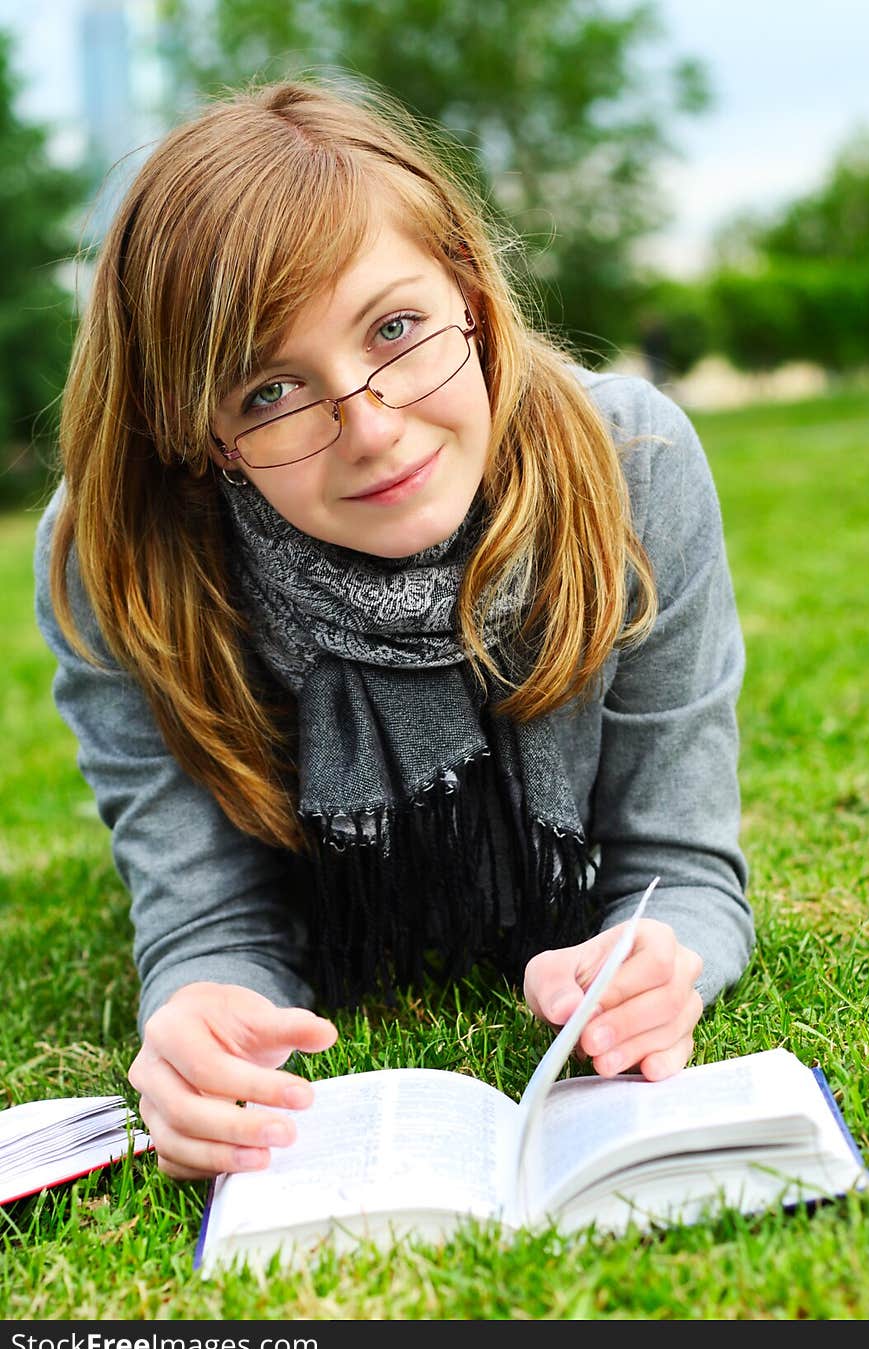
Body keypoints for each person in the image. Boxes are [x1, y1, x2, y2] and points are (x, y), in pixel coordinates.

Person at [34, 77, 754, 1182]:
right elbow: (210, 924)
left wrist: (666, 960)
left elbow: (682, 868)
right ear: (206, 437)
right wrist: (202, 1016)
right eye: (270, 390)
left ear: (470, 287)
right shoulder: (120, 561)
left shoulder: (633, 468)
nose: (368, 428)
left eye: (398, 327)